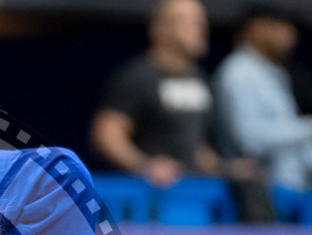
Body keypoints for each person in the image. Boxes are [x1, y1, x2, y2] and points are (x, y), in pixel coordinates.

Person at [212, 6, 312, 226]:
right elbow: (249, 139)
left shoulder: (276, 74)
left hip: (295, 194)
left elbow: (299, 146)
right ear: (257, 29)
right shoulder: (238, 72)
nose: (291, 37)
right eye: (283, 28)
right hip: (259, 198)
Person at [89, 0, 218, 187]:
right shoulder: (138, 77)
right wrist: (146, 166)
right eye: (189, 22)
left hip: (194, 197)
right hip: (153, 201)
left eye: (202, 22)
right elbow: (106, 136)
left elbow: (199, 148)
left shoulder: (201, 79)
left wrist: (224, 167)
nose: (201, 28)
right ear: (160, 29)